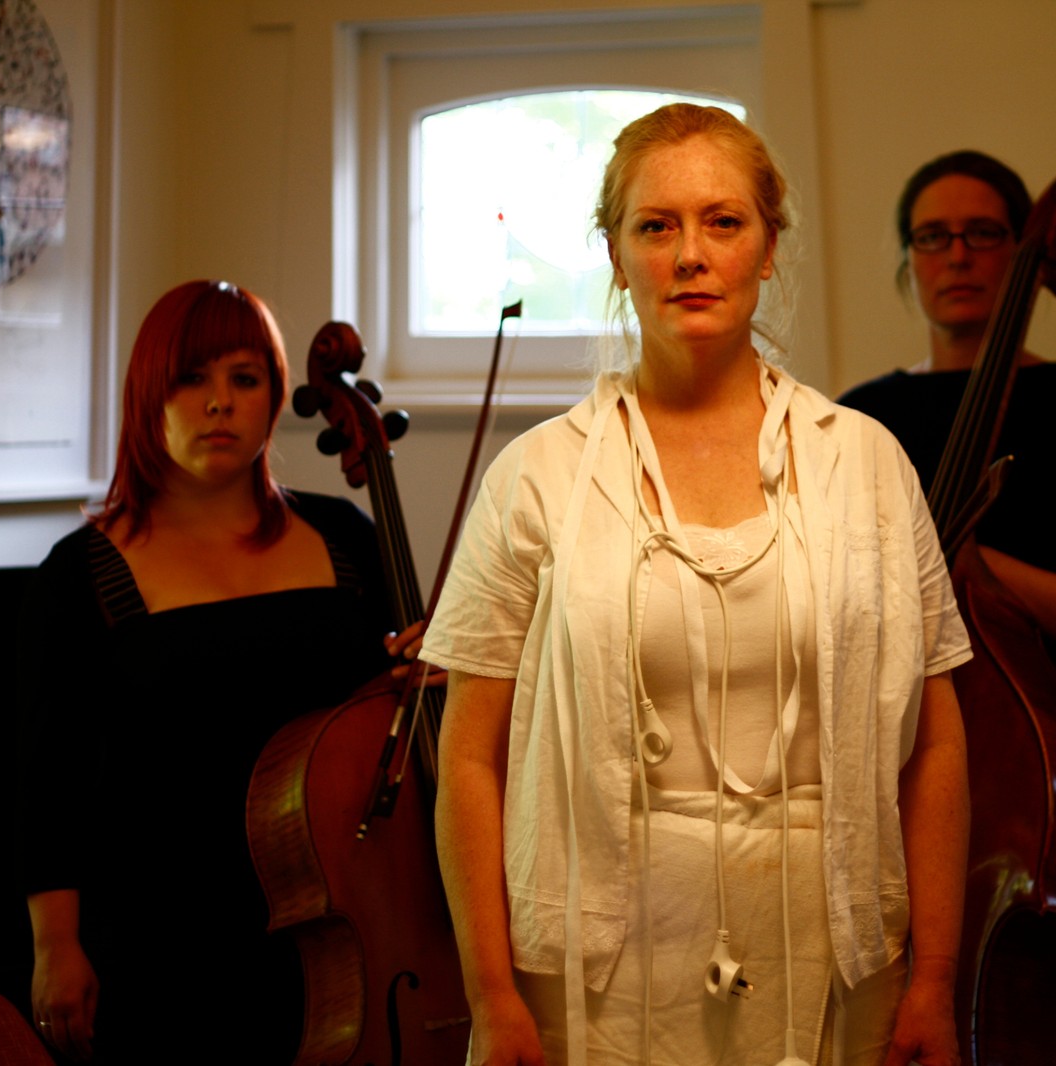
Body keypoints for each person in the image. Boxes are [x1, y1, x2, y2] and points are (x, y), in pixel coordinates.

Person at [422, 105, 973, 1066]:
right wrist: (491, 993)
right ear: (616, 251)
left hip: (836, 962)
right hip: (596, 977)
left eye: (723, 222)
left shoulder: (870, 466)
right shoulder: (535, 476)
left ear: (768, 249)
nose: (690, 254)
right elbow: (469, 758)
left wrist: (934, 979)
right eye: (656, 225)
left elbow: (936, 742)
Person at [16, 280, 426, 1064]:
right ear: (149, 393)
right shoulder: (78, 576)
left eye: (245, 379)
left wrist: (420, 678)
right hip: (159, 935)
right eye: (192, 379)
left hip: (337, 920)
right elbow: (47, 781)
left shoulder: (342, 534)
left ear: (275, 397)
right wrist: (54, 945)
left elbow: (386, 723)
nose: (219, 403)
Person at [835, 151, 1056, 688]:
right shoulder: (859, 417)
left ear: (1021, 251)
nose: (958, 256)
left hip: (1027, 728)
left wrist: (972, 562)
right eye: (933, 236)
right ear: (908, 260)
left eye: (983, 232)